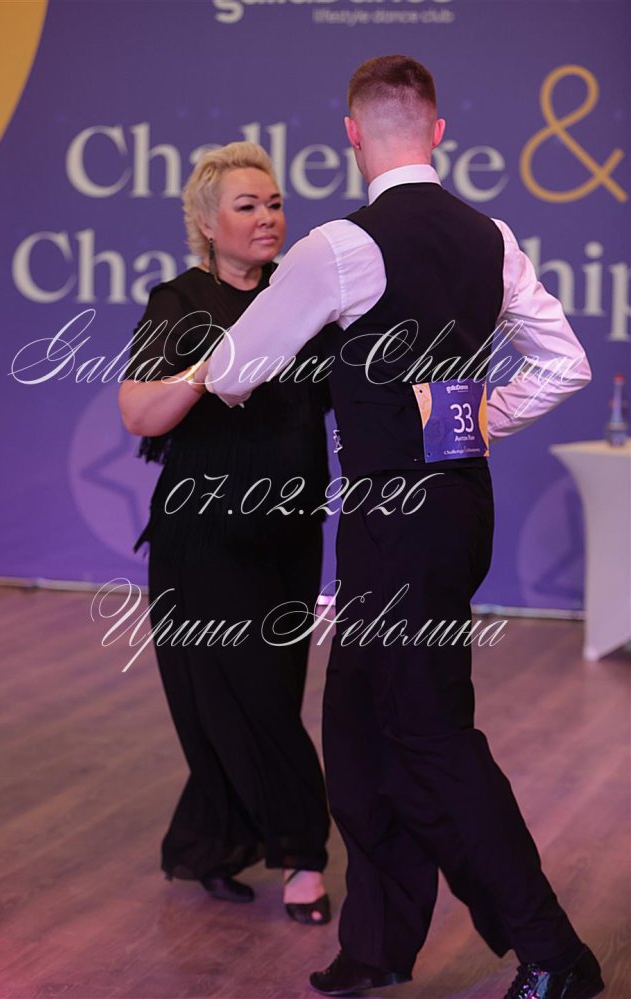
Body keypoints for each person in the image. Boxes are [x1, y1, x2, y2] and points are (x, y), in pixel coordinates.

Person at [204, 58, 604, 998]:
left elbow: (230, 371)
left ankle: (554, 954)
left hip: (395, 518)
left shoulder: (341, 247)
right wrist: (478, 414)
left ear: (350, 134)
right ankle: (378, 943)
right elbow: (566, 364)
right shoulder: (490, 235)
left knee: (429, 734)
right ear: (438, 131)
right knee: (355, 725)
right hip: (455, 507)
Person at [118, 141, 333, 925]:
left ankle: (214, 838)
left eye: (274, 203)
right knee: (245, 701)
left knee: (262, 695)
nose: (268, 217)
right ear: (208, 224)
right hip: (201, 539)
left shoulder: (306, 303)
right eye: (248, 206)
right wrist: (208, 370)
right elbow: (138, 412)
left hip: (290, 535)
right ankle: (305, 856)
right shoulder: (179, 302)